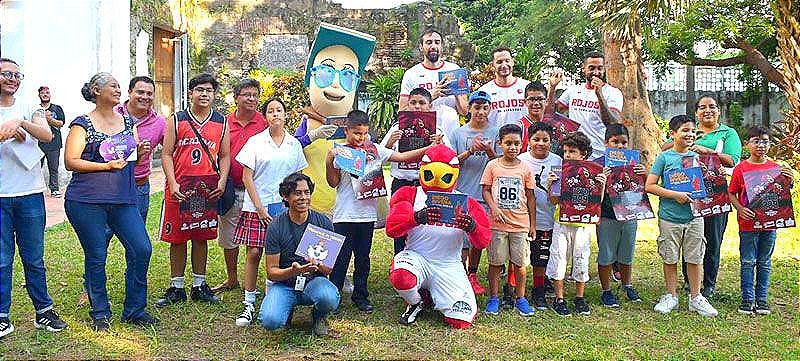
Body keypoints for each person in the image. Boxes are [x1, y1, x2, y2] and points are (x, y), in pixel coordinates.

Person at [64, 72, 156, 331]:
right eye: (113, 86)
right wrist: (105, 166)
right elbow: (71, 161)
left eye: (119, 86)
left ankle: (135, 310)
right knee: (96, 255)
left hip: (123, 199)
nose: (118, 90)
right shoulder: (82, 124)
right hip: (86, 201)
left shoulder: (128, 122)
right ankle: (100, 312)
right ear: (96, 90)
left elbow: (130, 156)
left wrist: (142, 152)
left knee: (141, 248)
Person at [325, 109, 436, 312]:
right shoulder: (340, 152)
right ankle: (333, 296)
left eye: (365, 133)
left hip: (366, 216)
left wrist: (429, 147)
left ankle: (361, 296)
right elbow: (332, 183)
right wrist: (329, 160)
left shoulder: (374, 150)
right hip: (344, 215)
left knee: (363, 258)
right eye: (357, 133)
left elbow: (401, 156)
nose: (361, 137)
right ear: (346, 131)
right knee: (340, 259)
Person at [386, 144, 491, 328]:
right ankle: (415, 302)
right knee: (402, 276)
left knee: (461, 320)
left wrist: (472, 227)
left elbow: (483, 241)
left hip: (448, 264)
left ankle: (431, 294)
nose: (436, 180)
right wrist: (416, 218)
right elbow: (392, 228)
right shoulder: (409, 194)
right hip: (417, 257)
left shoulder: (467, 202)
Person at [0, 58, 67, 338]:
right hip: (1, 196)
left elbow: (47, 134)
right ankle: (2, 316)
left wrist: (21, 122)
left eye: (17, 75)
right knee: (2, 259)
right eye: (6, 74)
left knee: (34, 258)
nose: (13, 79)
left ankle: (43, 311)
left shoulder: (31, 107)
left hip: (29, 195)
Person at [156, 73, 230, 307]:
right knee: (177, 238)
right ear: (191, 93)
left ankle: (199, 285)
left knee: (201, 237)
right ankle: (176, 287)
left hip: (207, 187)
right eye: (200, 90)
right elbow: (166, 154)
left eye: (209, 90)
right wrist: (173, 182)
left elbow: (225, 155)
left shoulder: (221, 121)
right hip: (180, 187)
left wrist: (222, 181)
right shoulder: (177, 120)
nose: (204, 94)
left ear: (214, 94)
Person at [233, 98, 307, 327]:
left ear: (286, 115)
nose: (275, 114)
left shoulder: (294, 144)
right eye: (271, 111)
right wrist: (260, 208)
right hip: (258, 206)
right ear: (265, 116)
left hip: (285, 207)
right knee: (254, 253)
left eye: (279, 110)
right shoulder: (255, 142)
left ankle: (275, 296)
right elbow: (247, 177)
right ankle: (249, 302)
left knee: (285, 254)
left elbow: (298, 177)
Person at [663, 95, 742, 299]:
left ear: (718, 110)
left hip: (715, 194)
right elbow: (663, 148)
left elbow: (732, 161)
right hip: (688, 194)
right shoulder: (690, 132)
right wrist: (686, 139)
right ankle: (690, 282)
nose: (708, 110)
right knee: (688, 236)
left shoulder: (728, 133)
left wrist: (707, 151)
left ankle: (709, 284)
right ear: (696, 112)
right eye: (702, 107)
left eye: (712, 107)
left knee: (713, 239)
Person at [645, 115, 718, 317]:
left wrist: (707, 172)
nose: (690, 134)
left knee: (695, 257)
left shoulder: (698, 158)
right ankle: (671, 296)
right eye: (685, 130)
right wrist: (674, 195)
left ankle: (696, 297)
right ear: (673, 134)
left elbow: (710, 185)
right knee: (669, 257)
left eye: (693, 131)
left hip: (695, 216)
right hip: (669, 217)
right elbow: (649, 186)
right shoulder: (664, 157)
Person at [257, 173, 339, 336]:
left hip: (313, 281)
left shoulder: (323, 223)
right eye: (297, 193)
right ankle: (286, 311)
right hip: (285, 284)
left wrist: (318, 265)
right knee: (270, 321)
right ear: (285, 197)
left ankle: (319, 315)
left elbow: (329, 269)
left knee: (328, 298)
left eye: (307, 192)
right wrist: (293, 271)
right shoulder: (275, 226)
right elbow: (272, 272)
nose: (303, 197)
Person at [380, 87, 458, 255]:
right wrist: (390, 142)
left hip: (426, 187)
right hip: (402, 183)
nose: (417, 107)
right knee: (400, 223)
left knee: (425, 225)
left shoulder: (437, 132)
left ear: (430, 107)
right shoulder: (396, 129)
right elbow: (379, 156)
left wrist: (439, 146)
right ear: (407, 106)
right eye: (413, 103)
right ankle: (400, 259)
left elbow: (451, 158)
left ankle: (424, 259)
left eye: (422, 103)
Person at [728, 126, 794, 315]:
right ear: (747, 144)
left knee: (765, 261)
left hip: (770, 223)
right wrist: (740, 209)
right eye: (756, 141)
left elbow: (782, 193)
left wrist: (789, 181)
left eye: (765, 141)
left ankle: (762, 300)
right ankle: (747, 299)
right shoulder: (741, 168)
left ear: (769, 144)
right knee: (748, 261)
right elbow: (731, 193)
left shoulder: (776, 168)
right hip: (748, 224)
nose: (761, 145)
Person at [214, 78, 267, 294]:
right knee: (229, 234)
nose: (251, 98)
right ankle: (232, 278)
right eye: (246, 94)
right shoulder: (224, 122)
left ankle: (250, 279)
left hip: (255, 190)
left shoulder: (264, 123)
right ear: (236, 98)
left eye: (255, 95)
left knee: (254, 237)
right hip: (231, 187)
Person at [545, 131, 606, 316]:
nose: (568, 155)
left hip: (583, 225)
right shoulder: (560, 171)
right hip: (562, 222)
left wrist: (601, 185)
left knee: (581, 258)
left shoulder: (593, 171)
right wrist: (550, 186)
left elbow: (597, 202)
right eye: (565, 151)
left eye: (572, 151)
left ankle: (580, 297)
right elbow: (554, 201)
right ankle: (559, 298)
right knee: (559, 258)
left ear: (583, 154)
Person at [480, 123, 536, 316]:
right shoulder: (492, 165)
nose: (512, 147)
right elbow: (485, 190)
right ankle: (494, 297)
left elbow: (530, 197)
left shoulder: (525, 168)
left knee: (520, 264)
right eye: (508, 143)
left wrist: (533, 225)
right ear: (500, 144)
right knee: (496, 262)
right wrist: (494, 208)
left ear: (522, 144)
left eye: (516, 143)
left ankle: (520, 297)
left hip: (520, 224)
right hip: (497, 225)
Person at [451, 90, 499, 296]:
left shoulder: (496, 132)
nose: (480, 111)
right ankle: (459, 273)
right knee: (460, 237)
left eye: (485, 107)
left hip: (484, 193)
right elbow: (451, 163)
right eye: (476, 107)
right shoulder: (458, 133)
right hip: (462, 191)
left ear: (490, 109)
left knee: (477, 237)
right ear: (469, 108)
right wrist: (470, 150)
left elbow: (499, 163)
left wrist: (488, 151)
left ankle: (472, 273)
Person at [592, 124, 644, 307]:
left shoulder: (634, 164)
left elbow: (641, 189)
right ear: (606, 144)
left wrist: (642, 175)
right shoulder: (598, 164)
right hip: (606, 216)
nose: (620, 146)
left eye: (624, 142)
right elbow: (593, 194)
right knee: (605, 254)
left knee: (627, 252)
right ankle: (606, 290)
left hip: (630, 214)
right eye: (615, 142)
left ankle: (627, 285)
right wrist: (602, 180)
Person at [518, 121, 562, 310]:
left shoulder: (558, 161)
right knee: (518, 255)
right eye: (536, 139)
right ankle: (512, 288)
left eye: (545, 140)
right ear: (529, 140)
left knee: (541, 254)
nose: (541, 143)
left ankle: (539, 289)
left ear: (551, 142)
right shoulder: (521, 160)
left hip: (548, 215)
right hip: (522, 215)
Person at [550, 51, 623, 160]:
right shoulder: (573, 90)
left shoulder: (613, 92)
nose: (596, 72)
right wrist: (552, 88)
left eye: (600, 68)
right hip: (576, 155)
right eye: (591, 68)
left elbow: (613, 123)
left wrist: (599, 95)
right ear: (583, 68)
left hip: (600, 155)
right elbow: (551, 113)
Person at [114, 76, 165, 221]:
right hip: (110, 184)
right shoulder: (112, 114)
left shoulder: (159, 122)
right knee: (104, 233)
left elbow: (171, 150)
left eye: (149, 94)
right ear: (130, 92)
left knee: (137, 237)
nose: (145, 97)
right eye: (140, 92)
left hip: (139, 185)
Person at [399, 28, 468, 116]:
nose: (433, 46)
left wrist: (455, 90)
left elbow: (464, 112)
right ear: (421, 47)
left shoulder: (455, 70)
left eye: (437, 42)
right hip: (424, 127)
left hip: (450, 127)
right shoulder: (411, 74)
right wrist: (429, 96)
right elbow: (403, 112)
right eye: (428, 42)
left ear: (441, 46)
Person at [478, 47, 530, 129]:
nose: (504, 65)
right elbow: (479, 121)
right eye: (499, 62)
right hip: (497, 140)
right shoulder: (484, 91)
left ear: (513, 62)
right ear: (492, 65)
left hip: (525, 140)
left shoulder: (527, 86)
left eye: (507, 61)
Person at [36, 85, 65, 197]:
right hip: (38, 144)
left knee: (53, 168)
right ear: (39, 95)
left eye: (47, 92)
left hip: (54, 143)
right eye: (43, 93)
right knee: (36, 168)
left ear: (50, 94)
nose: (45, 94)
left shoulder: (57, 108)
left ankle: (54, 189)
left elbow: (61, 123)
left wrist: (50, 119)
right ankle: (37, 189)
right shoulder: (35, 108)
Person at [517, 82, 549, 153]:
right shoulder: (520, 126)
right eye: (532, 99)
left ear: (546, 101)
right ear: (525, 102)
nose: (536, 103)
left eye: (540, 99)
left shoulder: (554, 124)